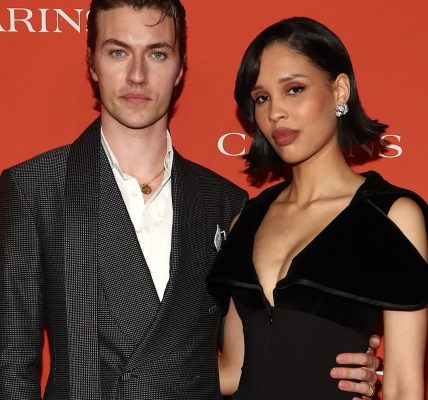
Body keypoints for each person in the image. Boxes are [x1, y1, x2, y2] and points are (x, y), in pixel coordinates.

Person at [0, 2, 380, 399]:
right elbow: (12, 369)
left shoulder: (226, 203)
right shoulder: (35, 188)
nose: (137, 75)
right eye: (118, 52)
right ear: (92, 63)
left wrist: (333, 361)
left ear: (180, 67)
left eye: (157, 54)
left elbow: (247, 363)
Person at [208, 16, 428, 400]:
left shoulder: (391, 216)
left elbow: (403, 386)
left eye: (294, 89)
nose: (275, 112)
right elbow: (231, 372)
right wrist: (121, 365)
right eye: (262, 98)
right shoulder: (247, 220)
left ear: (339, 90)